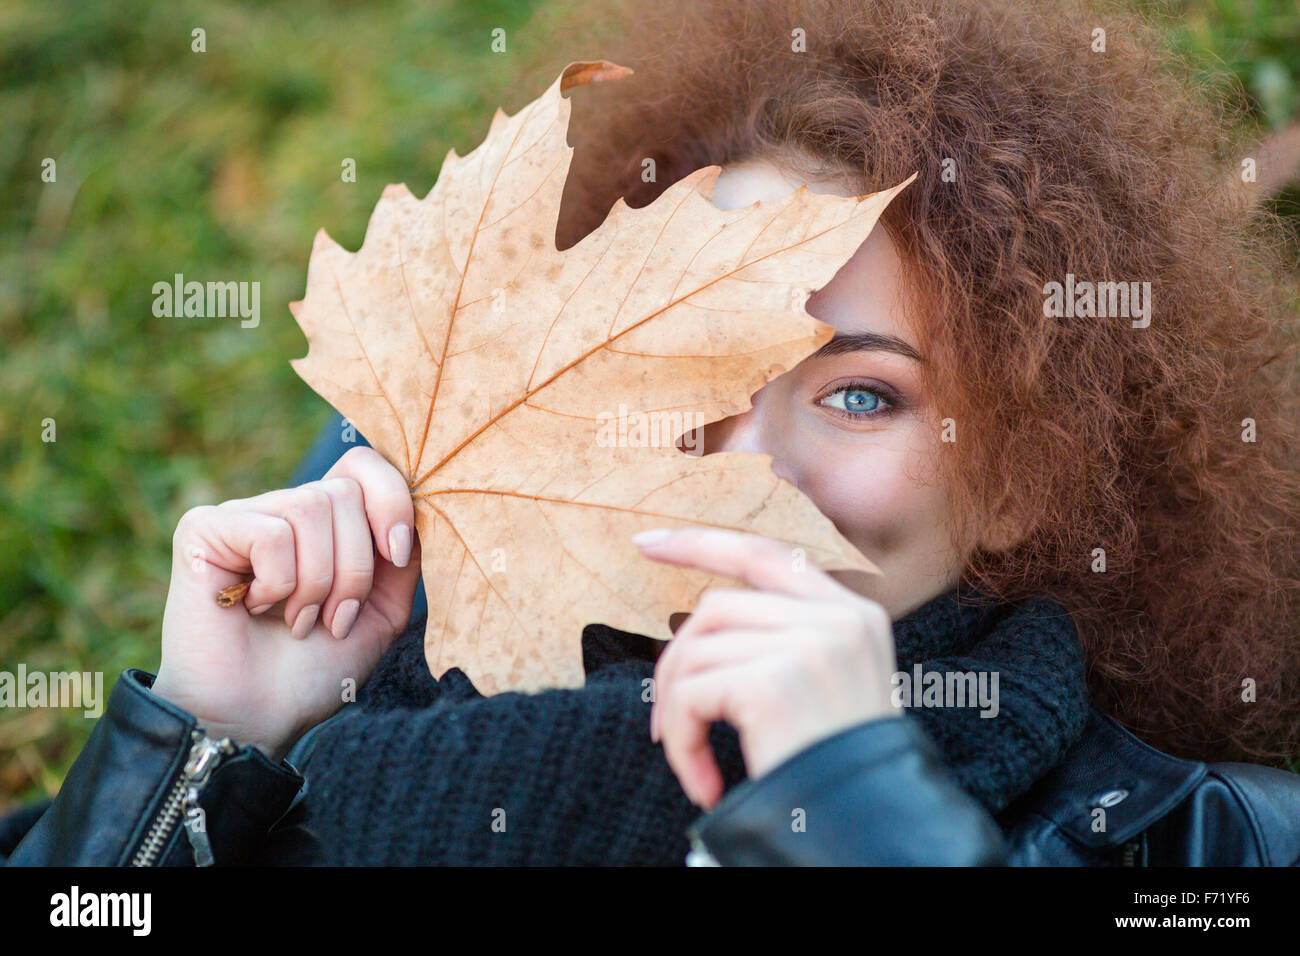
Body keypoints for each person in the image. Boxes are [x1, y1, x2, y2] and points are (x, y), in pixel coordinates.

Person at [4, 0, 1299, 866]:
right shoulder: (378, 700)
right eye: (689, 374)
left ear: (1025, 478)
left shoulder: (1180, 840)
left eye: (860, 395)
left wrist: (852, 799)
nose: (746, 475)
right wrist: (200, 744)